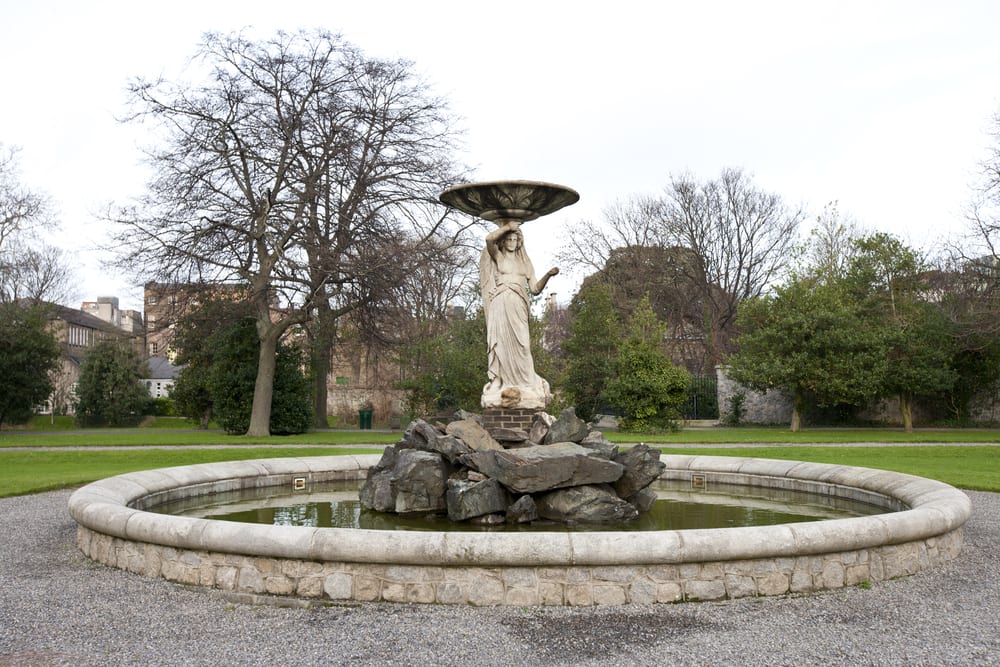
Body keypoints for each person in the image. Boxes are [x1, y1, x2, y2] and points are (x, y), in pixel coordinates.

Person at [479, 220, 558, 409]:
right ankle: (502, 382)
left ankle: (526, 384)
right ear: (504, 241)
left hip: (518, 304)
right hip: (500, 304)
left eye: (515, 239)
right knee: (501, 344)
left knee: (523, 344)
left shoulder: (525, 263)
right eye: (509, 239)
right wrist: (508, 227)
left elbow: (535, 289)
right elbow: (489, 239)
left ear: (519, 241)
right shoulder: (498, 257)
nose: (513, 241)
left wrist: (548, 274)